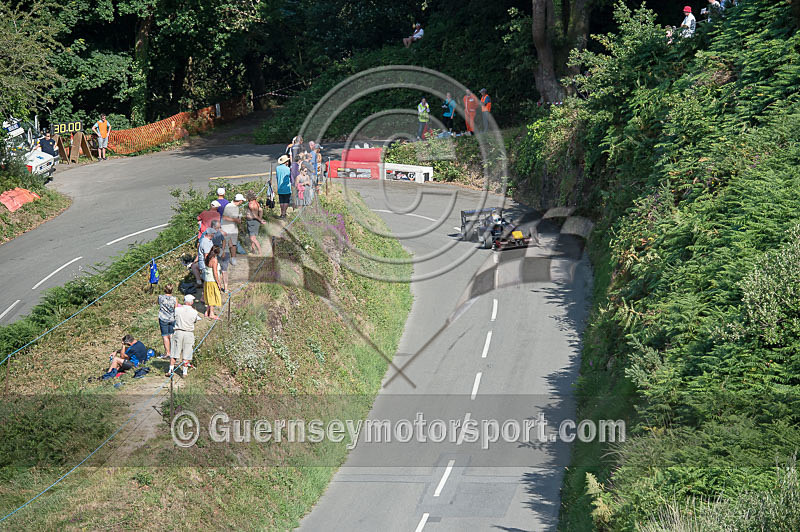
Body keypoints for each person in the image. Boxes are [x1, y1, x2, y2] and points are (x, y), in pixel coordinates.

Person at [168, 294, 203, 377]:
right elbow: (195, 320)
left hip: (178, 331)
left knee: (174, 351)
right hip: (188, 333)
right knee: (187, 353)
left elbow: (173, 317)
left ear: (184, 301)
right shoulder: (194, 312)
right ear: (191, 302)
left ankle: (170, 370)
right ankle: (184, 372)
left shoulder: (177, 310)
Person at [221, 193, 245, 265]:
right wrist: (235, 220)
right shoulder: (229, 206)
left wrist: (238, 220)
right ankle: (224, 259)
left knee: (234, 244)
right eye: (242, 201)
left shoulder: (236, 207)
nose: (242, 202)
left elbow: (235, 218)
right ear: (240, 201)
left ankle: (233, 259)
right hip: (226, 228)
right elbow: (224, 217)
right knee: (226, 244)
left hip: (233, 228)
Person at [191, 221, 217, 287]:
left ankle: (200, 282)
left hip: (203, 263)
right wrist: (210, 265)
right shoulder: (206, 242)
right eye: (213, 234)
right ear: (210, 234)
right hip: (205, 264)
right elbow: (206, 256)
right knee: (208, 280)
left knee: (194, 266)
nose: (214, 235)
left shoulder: (204, 240)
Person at [157, 283, 177, 359]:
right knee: (171, 335)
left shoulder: (160, 297)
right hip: (172, 318)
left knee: (165, 336)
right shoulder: (174, 299)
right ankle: (173, 352)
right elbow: (176, 309)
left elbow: (158, 303)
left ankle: (167, 352)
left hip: (163, 318)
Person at [203, 245, 223, 320]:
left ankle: (207, 311)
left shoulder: (207, 257)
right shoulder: (214, 260)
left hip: (207, 280)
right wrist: (219, 283)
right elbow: (215, 273)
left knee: (208, 295)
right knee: (213, 296)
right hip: (212, 280)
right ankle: (211, 313)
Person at [245, 191, 266, 255]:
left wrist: (260, 220)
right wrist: (260, 218)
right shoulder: (256, 202)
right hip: (253, 222)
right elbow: (261, 210)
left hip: (252, 222)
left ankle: (260, 253)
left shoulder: (251, 204)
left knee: (253, 238)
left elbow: (254, 215)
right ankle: (253, 251)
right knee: (252, 237)